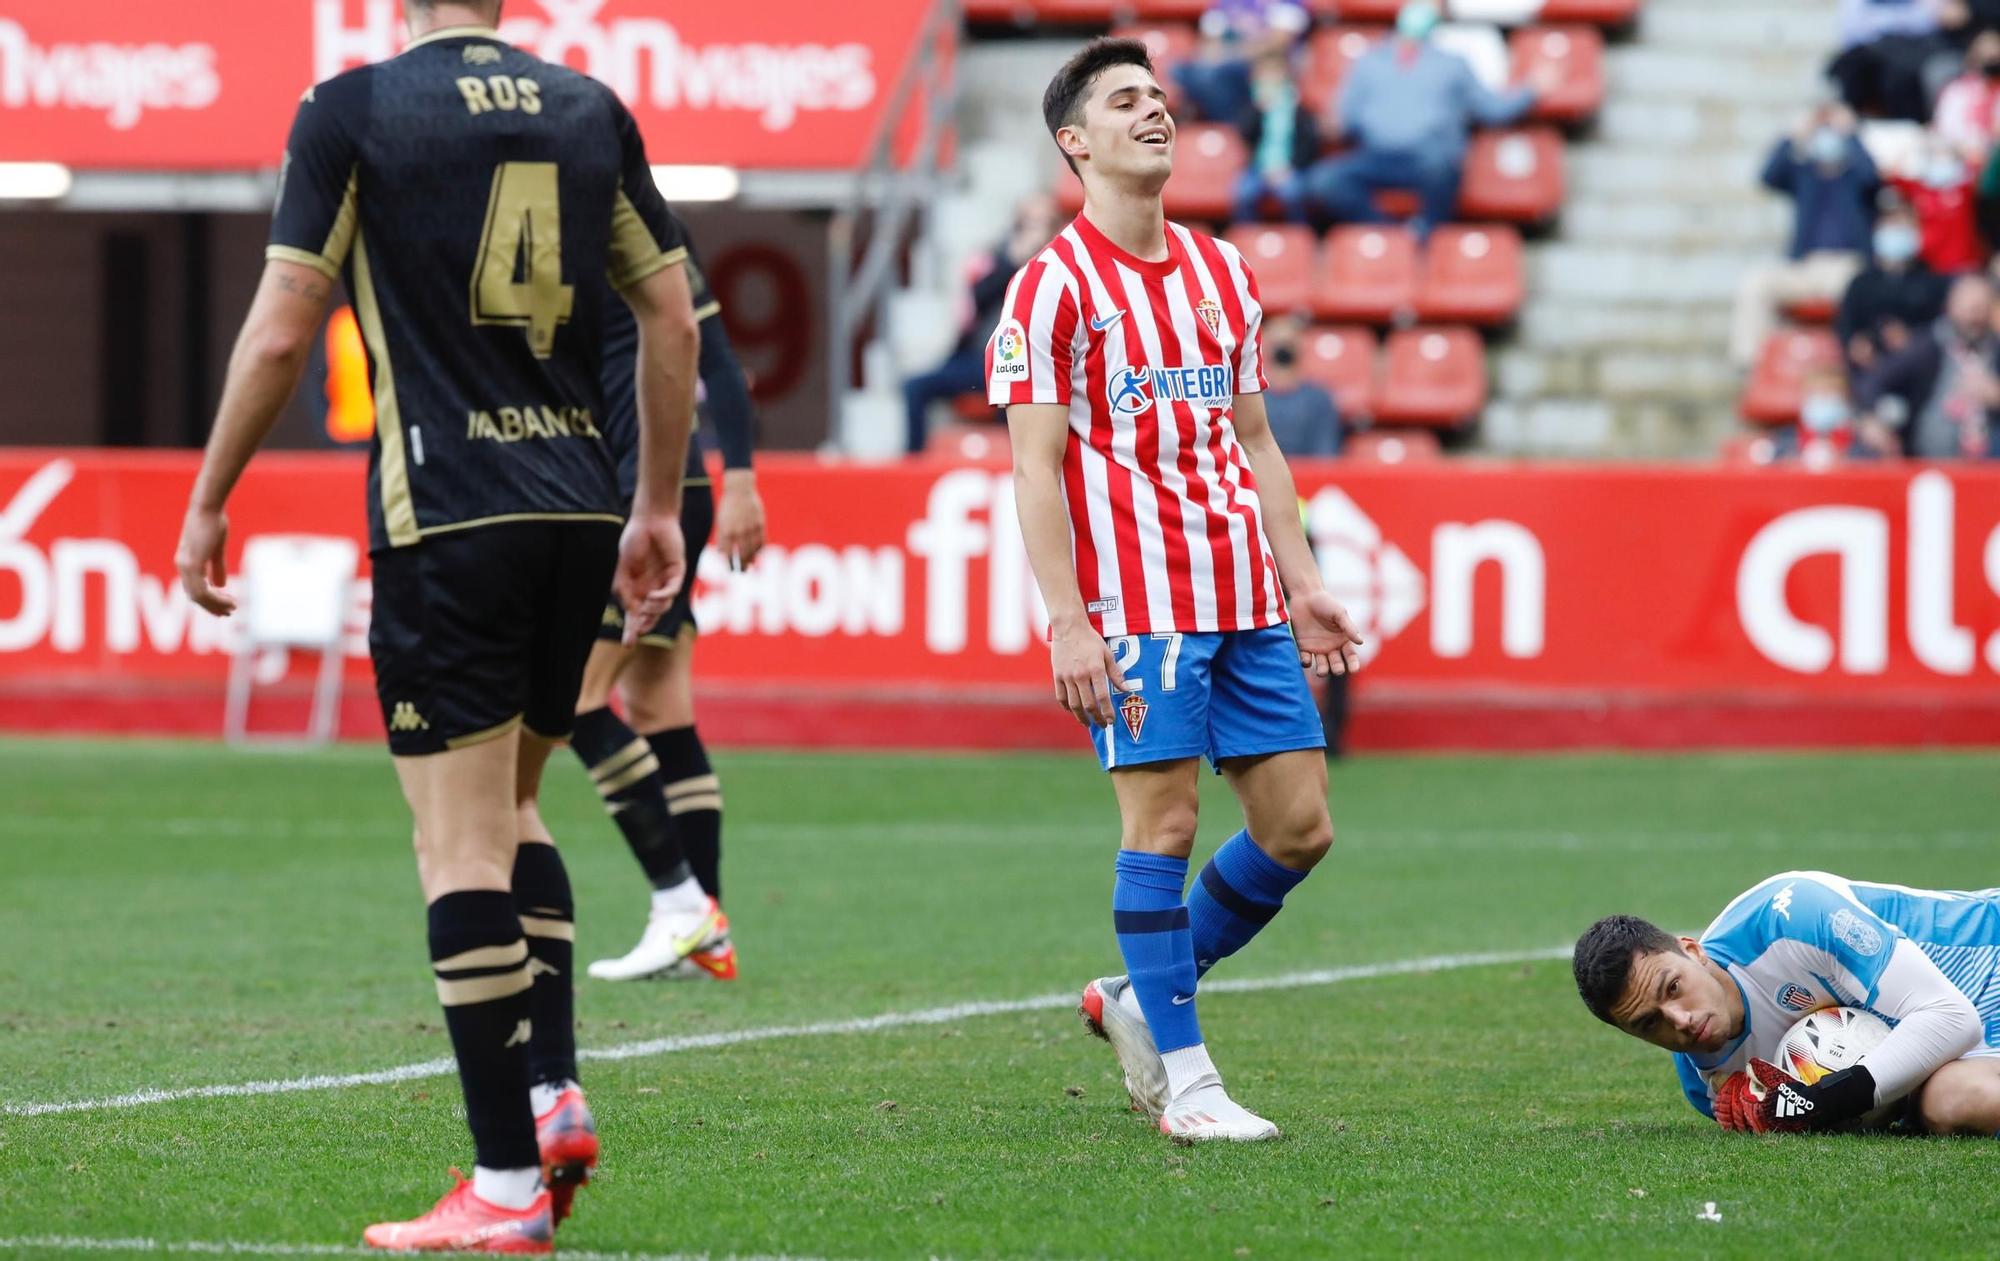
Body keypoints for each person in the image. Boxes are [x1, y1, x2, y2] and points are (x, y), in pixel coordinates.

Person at [171, 1, 700, 1248]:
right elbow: (671, 317)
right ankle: (550, 1081)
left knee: (453, 846)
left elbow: (285, 325)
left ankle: (506, 1188)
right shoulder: (587, 107)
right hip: (578, 509)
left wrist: (206, 501)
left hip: (447, 518)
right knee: (517, 806)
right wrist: (657, 506)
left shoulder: (348, 109)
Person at [992, 38, 1364, 1144]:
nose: (1154, 112)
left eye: (1157, 98)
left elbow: (1254, 442)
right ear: (1075, 142)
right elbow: (1032, 467)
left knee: (1298, 829)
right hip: (1138, 607)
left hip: (1245, 598)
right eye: (1124, 102)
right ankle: (1189, 1084)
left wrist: (1300, 582)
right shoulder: (1051, 289)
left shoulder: (1219, 270)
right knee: (1162, 823)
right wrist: (1068, 619)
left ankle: (1126, 996)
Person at [570, 229, 767, 982]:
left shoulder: (634, 222)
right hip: (638, 488)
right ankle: (703, 927)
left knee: (575, 700)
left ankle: (682, 903)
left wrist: (743, 476)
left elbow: (711, 351)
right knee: (657, 706)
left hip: (642, 496)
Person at [1572, 871, 2000, 1136]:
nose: (1680, 1020)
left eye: (1672, 988)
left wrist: (1820, 1102)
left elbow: (1950, 1016)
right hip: (1963, 1056)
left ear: (1693, 950)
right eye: (1650, 1024)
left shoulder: (1791, 917)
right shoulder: (1712, 1088)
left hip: (1988, 959)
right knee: (1950, 1103)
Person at [1305, 1, 1552, 241]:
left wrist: (1531, 90)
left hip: (1429, 159)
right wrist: (1330, 123)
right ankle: (1389, 235)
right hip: (1377, 157)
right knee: (1325, 180)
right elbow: (1345, 118)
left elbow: (1491, 109)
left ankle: (1425, 236)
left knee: (1443, 168)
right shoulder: (1369, 61)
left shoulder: (1454, 64)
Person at [903, 195, 1061, 453]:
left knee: (1013, 388)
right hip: (980, 359)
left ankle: (1014, 465)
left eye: (1044, 223)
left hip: (1034, 362)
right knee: (915, 387)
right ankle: (913, 467)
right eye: (1028, 224)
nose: (1036, 231)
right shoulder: (993, 258)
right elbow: (977, 300)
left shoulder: (1060, 264)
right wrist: (1014, 261)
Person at [1729, 104, 1878, 366]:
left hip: (1848, 265)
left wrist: (1851, 133)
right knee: (1756, 285)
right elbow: (1768, 176)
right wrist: (1795, 134)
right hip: (1805, 266)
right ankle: (1753, 364)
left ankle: (1849, 364)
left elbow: (1872, 177)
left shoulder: (1854, 176)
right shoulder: (1805, 174)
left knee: (1856, 292)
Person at [1854, 270, 2000, 456]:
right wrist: (1871, 418)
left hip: (1989, 461)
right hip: (1928, 458)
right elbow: (1874, 381)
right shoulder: (1928, 345)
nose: (1974, 316)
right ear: (1950, 305)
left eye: (1981, 307)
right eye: (1968, 307)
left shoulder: (1995, 346)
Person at [1834, 195, 1950, 379]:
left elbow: (1941, 327)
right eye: (1891, 225)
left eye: (1903, 226)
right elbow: (1845, 324)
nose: (1897, 231)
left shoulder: (1932, 281)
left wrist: (1912, 340)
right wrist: (1856, 344)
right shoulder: (1861, 283)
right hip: (1869, 371)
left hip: (1917, 372)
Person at [1173, 0, 1311, 125]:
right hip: (1227, 72)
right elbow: (1209, 42)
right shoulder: (1227, 3)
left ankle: (1238, 130)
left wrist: (1232, 54)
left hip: (1267, 70)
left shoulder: (1288, 2)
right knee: (1182, 71)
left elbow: (1278, 42)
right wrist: (1219, 55)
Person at [1232, 49, 1319, 224]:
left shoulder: (1298, 108)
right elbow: (1244, 133)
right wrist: (1258, 110)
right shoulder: (1253, 106)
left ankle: (1298, 236)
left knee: (1293, 194)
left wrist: (1289, 168)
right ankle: (1247, 238)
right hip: (1258, 169)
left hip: (1291, 169)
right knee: (1243, 193)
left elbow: (1309, 142)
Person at [1259, 316, 1342, 456]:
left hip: (1307, 475)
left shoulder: (1318, 398)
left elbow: (1325, 453)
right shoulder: (1252, 396)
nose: (1282, 350)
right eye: (1276, 344)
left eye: (1288, 344)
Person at [1931, 30, 2000, 162]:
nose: (1990, 65)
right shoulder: (1956, 91)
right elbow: (1945, 130)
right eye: (1983, 58)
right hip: (1960, 156)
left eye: (1995, 59)